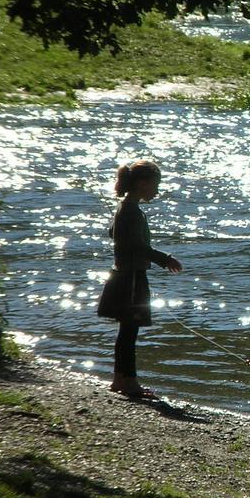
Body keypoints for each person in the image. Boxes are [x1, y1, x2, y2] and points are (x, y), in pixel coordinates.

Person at [96, 160, 182, 398]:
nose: (157, 190)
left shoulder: (125, 208)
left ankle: (119, 380)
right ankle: (130, 383)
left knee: (126, 331)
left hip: (122, 275)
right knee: (129, 332)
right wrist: (165, 259)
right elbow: (137, 246)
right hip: (131, 277)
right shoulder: (131, 211)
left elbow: (113, 234)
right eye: (156, 185)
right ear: (142, 184)